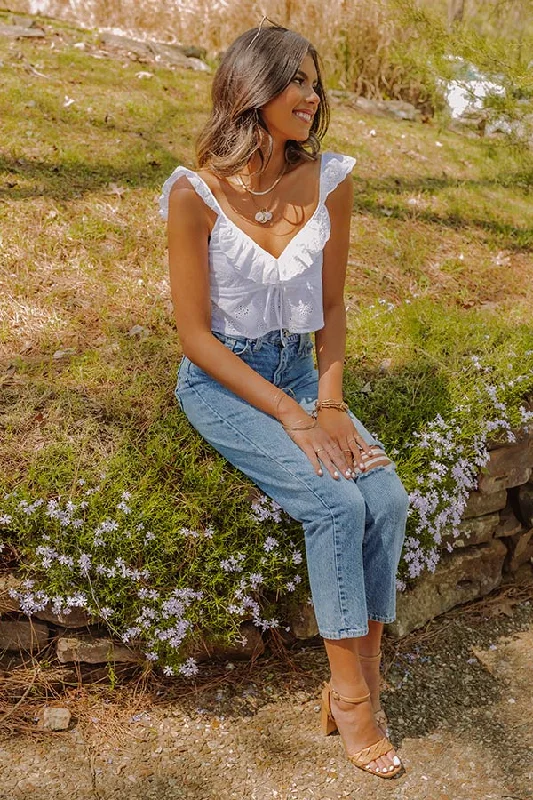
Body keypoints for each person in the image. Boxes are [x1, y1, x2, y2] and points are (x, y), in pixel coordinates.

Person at [159, 22, 410, 780]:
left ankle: (357, 680)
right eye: (296, 81)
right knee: (336, 506)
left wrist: (326, 405)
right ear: (253, 89)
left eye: (314, 82)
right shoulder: (193, 194)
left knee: (387, 499)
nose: (312, 96)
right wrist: (291, 417)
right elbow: (196, 339)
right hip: (224, 383)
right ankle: (356, 699)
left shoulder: (332, 180)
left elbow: (331, 310)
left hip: (301, 374)